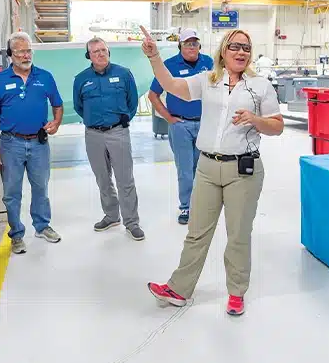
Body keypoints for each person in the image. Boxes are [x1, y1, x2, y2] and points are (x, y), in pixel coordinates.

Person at [140, 25, 284, 316]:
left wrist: (256, 120)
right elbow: (170, 86)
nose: (241, 52)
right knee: (196, 233)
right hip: (207, 167)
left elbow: (277, 126)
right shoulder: (208, 80)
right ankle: (179, 289)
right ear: (223, 51)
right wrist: (154, 57)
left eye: (246, 48)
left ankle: (236, 292)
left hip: (243, 171)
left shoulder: (260, 86)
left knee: (238, 235)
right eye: (235, 46)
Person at [0, 31, 64, 254]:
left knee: (41, 187)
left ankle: (42, 225)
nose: (26, 55)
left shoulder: (45, 77)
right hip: (11, 144)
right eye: (20, 51)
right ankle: (17, 234)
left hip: (39, 143)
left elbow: (57, 104)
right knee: (11, 192)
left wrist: (56, 122)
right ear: (11, 54)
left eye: (29, 50)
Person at [74, 37, 145, 241]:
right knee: (102, 178)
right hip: (93, 135)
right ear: (89, 56)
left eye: (103, 50)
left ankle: (132, 222)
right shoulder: (81, 79)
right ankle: (112, 215)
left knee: (125, 179)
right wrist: (93, 120)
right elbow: (79, 106)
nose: (100, 54)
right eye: (95, 51)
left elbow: (132, 101)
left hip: (118, 132)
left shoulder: (123, 74)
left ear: (109, 52)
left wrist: (123, 119)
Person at [147, 29, 213, 225]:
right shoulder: (169, 65)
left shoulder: (209, 63)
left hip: (204, 124)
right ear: (180, 46)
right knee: (185, 169)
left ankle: (202, 206)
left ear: (199, 46)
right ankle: (186, 206)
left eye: (194, 43)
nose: (191, 47)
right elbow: (153, 95)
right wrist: (168, 117)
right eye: (187, 43)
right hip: (180, 125)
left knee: (204, 168)